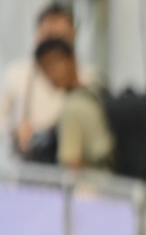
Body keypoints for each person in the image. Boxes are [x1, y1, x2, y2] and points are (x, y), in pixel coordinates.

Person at [1, 3, 90, 154]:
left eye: (61, 37)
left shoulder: (87, 78)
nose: (53, 46)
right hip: (27, 162)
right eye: (48, 36)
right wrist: (15, 132)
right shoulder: (16, 73)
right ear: (37, 35)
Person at [29, 38, 114, 171]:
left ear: (73, 61)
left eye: (55, 63)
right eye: (45, 68)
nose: (51, 73)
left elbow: (71, 167)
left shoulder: (71, 108)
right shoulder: (96, 92)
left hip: (93, 182)